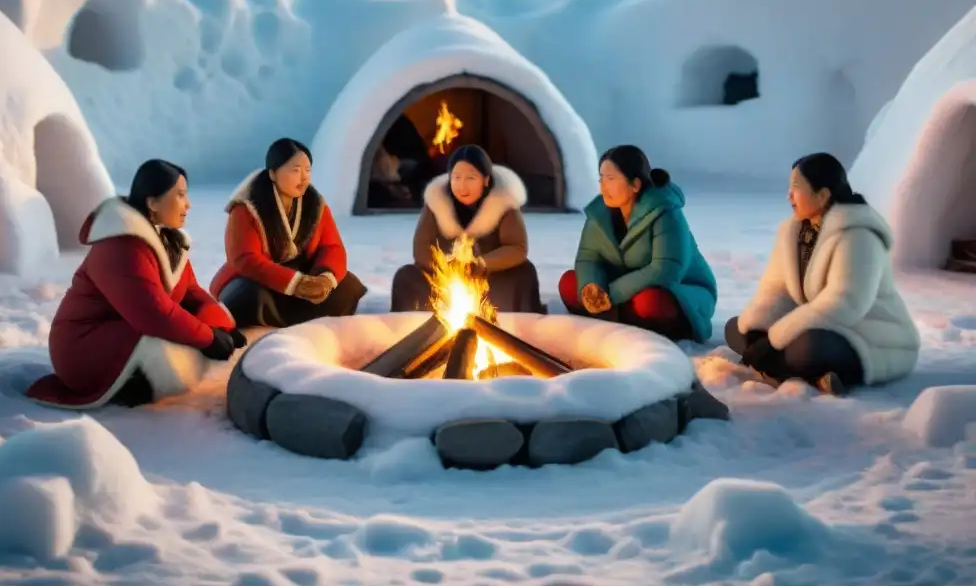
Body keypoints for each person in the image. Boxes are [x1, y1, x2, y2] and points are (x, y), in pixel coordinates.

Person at [26, 160, 246, 410]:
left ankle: (140, 381)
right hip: (84, 347)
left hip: (127, 330)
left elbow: (191, 293)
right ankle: (125, 384)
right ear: (152, 202)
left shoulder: (166, 240)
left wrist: (223, 325)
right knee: (170, 351)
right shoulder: (120, 247)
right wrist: (208, 338)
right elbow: (153, 313)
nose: (189, 204)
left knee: (184, 338)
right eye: (180, 196)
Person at [726, 153, 920, 395]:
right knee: (738, 329)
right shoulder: (793, 232)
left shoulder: (858, 236)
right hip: (815, 326)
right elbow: (776, 290)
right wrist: (759, 331)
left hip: (868, 337)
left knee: (808, 348)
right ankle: (813, 374)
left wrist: (775, 340)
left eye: (796, 188)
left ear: (823, 194)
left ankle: (786, 367)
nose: (789, 196)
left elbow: (844, 303)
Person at [559, 145, 717, 343]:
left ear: (635, 184)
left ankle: (632, 324)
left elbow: (665, 270)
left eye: (611, 179)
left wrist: (611, 294)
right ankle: (616, 319)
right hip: (622, 288)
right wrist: (592, 287)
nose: (603, 187)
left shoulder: (665, 213)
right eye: (601, 178)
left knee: (650, 302)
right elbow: (588, 257)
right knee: (571, 283)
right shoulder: (599, 214)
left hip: (676, 289)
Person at [209, 138, 367, 327]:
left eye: (307, 170)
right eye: (295, 170)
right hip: (262, 280)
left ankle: (309, 319)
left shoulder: (316, 205)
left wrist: (324, 278)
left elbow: (331, 246)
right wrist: (295, 284)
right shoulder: (247, 208)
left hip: (306, 276)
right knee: (247, 297)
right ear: (273, 173)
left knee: (347, 286)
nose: (303, 177)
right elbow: (245, 258)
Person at [390, 144, 545, 313]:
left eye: (470, 178)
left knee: (524, 273)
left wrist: (481, 264)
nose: (462, 186)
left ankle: (511, 326)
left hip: (491, 279)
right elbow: (421, 247)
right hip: (445, 280)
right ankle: (416, 327)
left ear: (485, 180)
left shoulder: (503, 203)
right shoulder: (437, 202)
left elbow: (517, 248)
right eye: (456, 178)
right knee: (406, 276)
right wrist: (447, 266)